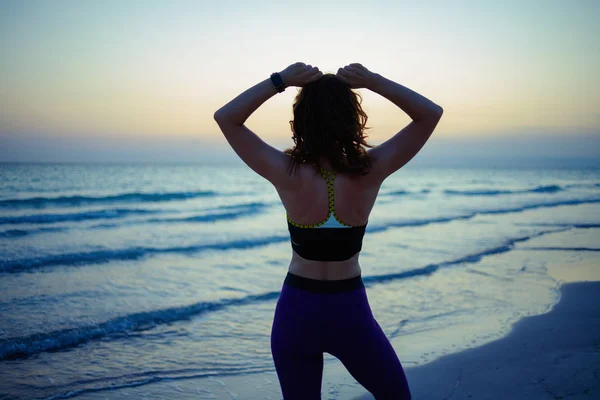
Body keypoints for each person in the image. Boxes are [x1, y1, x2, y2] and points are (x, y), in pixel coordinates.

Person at [214, 62, 443, 399]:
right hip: (349, 312)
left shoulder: (286, 172)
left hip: (296, 312)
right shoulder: (369, 171)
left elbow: (226, 118)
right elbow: (429, 114)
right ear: (352, 117)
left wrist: (281, 81)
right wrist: (373, 82)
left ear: (302, 119)